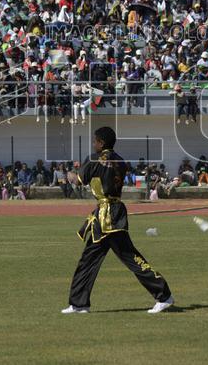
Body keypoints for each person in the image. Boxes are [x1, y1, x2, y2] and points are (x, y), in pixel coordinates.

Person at [62, 127, 174, 314]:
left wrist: (70, 175)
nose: (93, 143)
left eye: (95, 141)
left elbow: (79, 180)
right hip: (110, 213)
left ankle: (164, 295)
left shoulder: (93, 159)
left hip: (108, 217)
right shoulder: (121, 161)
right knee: (88, 260)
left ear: (102, 143)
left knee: (130, 257)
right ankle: (79, 304)